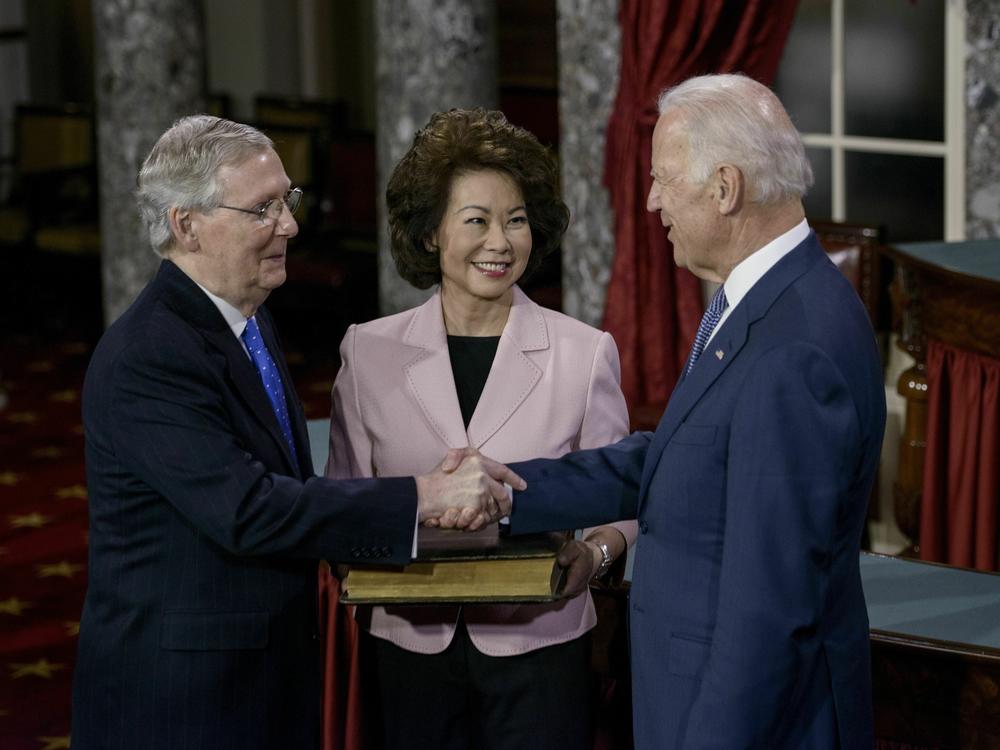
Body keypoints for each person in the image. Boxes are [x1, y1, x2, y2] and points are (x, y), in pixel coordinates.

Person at [71, 115, 520, 750]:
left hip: (258, 678)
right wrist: (423, 497)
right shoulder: (149, 355)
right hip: (183, 703)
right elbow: (249, 509)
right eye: (262, 208)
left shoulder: (247, 320)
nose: (290, 225)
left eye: (288, 200)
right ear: (185, 224)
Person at [502, 74, 887, 749]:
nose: (651, 201)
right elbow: (683, 455)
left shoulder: (794, 348)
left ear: (725, 188)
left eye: (663, 179)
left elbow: (766, 618)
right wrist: (508, 491)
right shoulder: (767, 301)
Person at [322, 108, 636, 750]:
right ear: (432, 233)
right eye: (476, 220)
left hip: (540, 647)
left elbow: (621, 502)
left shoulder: (585, 353)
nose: (500, 241)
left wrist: (596, 555)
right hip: (409, 646)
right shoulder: (367, 351)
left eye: (516, 220)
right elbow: (343, 504)